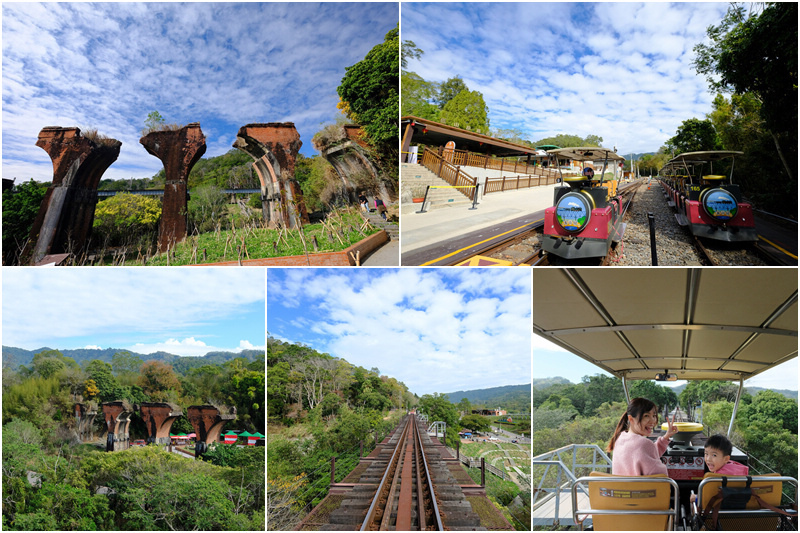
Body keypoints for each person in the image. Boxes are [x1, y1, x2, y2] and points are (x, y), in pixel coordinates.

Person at [607, 397, 679, 476]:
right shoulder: (644, 443)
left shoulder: (620, 439)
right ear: (631, 419)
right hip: (643, 488)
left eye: (654, 415)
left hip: (620, 488)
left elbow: (646, 454)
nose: (653, 421)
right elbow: (662, 477)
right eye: (646, 416)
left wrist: (666, 437)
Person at [689, 434, 749, 503]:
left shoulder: (715, 478)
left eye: (714, 455)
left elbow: (708, 500)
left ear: (726, 458)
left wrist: (696, 498)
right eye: (706, 454)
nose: (708, 459)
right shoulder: (739, 470)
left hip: (719, 510)